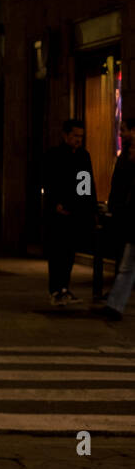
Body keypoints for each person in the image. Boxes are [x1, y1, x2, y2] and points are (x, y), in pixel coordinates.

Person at [43, 119, 96, 305]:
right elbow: (48, 182)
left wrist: (88, 207)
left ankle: (64, 287)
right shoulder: (54, 156)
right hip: (58, 213)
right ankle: (55, 289)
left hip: (75, 212)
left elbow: (86, 184)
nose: (78, 140)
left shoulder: (83, 157)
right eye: (75, 136)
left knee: (69, 253)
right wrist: (55, 203)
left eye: (81, 137)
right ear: (65, 135)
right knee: (57, 252)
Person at [95, 118, 135, 321]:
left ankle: (114, 305)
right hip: (128, 220)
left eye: (124, 129)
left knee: (127, 266)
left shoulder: (128, 159)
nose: (120, 133)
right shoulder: (125, 157)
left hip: (129, 218)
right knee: (126, 266)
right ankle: (114, 305)